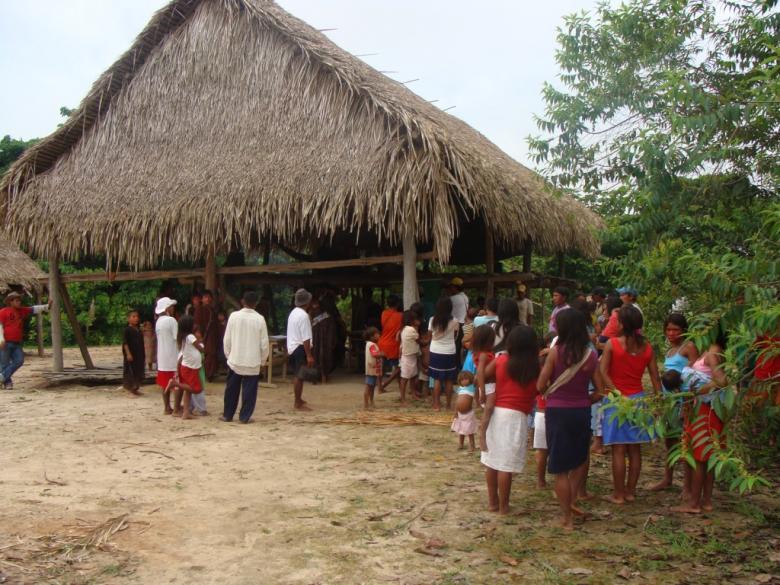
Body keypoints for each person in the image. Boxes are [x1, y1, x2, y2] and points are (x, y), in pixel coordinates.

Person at [538, 309, 605, 530]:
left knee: (559, 469)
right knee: (578, 460)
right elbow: (600, 390)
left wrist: (553, 392)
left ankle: (566, 517)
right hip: (581, 411)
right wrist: (585, 400)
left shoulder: (556, 352)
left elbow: (540, 385)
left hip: (557, 411)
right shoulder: (591, 355)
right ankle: (574, 501)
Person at [600, 305, 661, 504]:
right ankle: (630, 491)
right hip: (639, 401)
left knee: (618, 449)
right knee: (635, 449)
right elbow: (654, 376)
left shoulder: (612, 344)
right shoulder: (647, 347)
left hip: (617, 402)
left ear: (623, 324)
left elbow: (603, 372)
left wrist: (616, 394)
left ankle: (618, 493)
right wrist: (658, 402)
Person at [479, 326, 539, 514]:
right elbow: (540, 389)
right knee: (506, 465)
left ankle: (493, 503)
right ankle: (505, 506)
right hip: (517, 416)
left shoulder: (501, 361)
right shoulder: (535, 367)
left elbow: (484, 374)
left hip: (497, 412)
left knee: (492, 460)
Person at [672, 336, 729, 514]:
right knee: (708, 457)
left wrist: (700, 389)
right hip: (708, 411)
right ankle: (706, 501)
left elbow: (722, 381)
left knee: (699, 457)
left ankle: (694, 503)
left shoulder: (711, 354)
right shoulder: (715, 352)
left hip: (704, 411)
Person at [651, 313, 699, 492]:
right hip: (669, 402)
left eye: (675, 330)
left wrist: (689, 398)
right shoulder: (670, 350)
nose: (671, 333)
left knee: (685, 443)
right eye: (668, 329)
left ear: (684, 330)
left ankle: (689, 487)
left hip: (683, 401)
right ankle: (667, 478)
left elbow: (696, 374)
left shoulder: (688, 347)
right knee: (670, 441)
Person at [221, 291, 270, 423]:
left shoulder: (234, 316)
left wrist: (228, 356)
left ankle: (227, 415)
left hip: (235, 359)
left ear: (243, 301)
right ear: (256, 303)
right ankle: (244, 417)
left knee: (231, 389)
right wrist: (262, 361)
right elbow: (264, 344)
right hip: (252, 361)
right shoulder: (260, 319)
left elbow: (227, 339)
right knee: (249, 391)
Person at [0, 292, 50, 389]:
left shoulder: (22, 311)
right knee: (4, 363)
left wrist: (46, 306)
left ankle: (2, 377)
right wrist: (1, 338)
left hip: (17, 342)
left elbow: (34, 309)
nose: (19, 302)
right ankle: (7, 383)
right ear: (11, 302)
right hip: (5, 342)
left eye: (19, 301)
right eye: (17, 301)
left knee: (19, 360)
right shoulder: (3, 311)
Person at [167, 315, 204, 420]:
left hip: (189, 366)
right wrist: (203, 346)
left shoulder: (183, 337)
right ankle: (175, 383)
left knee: (188, 391)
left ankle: (186, 412)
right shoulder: (190, 337)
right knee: (196, 389)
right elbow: (200, 348)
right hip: (190, 368)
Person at [428, 297, 460, 411]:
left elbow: (429, 336)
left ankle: (436, 405)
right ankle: (448, 405)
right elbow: (456, 336)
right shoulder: (455, 321)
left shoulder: (432, 320)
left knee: (437, 379)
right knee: (449, 380)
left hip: (436, 351)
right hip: (450, 351)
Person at [287, 289, 315, 411]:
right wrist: (309, 355)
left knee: (298, 374)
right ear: (307, 302)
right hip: (299, 347)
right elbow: (306, 338)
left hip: (293, 347)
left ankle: (298, 399)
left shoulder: (293, 313)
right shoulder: (304, 316)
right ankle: (297, 402)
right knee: (300, 375)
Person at [155, 297, 178, 414]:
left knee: (164, 385)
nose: (173, 308)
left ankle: (167, 407)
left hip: (162, 358)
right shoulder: (171, 321)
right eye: (171, 306)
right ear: (167, 308)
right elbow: (177, 338)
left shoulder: (158, 322)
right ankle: (177, 408)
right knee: (177, 384)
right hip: (172, 357)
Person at [310, 296, 338, 384]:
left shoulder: (314, 316)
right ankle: (323, 377)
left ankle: (319, 378)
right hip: (323, 343)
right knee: (322, 358)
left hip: (319, 343)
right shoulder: (326, 317)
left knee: (318, 358)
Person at [378, 295, 403, 393]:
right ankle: (386, 384)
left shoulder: (384, 313)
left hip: (382, 342)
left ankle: (380, 387)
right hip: (393, 344)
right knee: (399, 368)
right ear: (397, 304)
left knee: (380, 368)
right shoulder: (400, 316)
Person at [195, 290, 219, 381]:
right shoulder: (199, 309)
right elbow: (197, 324)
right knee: (206, 354)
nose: (207, 299)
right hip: (203, 335)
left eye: (209, 297)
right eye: (205, 297)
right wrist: (199, 335)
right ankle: (205, 374)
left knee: (212, 355)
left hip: (212, 336)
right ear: (202, 299)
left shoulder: (212, 310)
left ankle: (210, 374)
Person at [451, 370, 478, 452]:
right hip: (460, 414)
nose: (464, 381)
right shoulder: (460, 388)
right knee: (461, 430)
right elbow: (457, 401)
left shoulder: (472, 387)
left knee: (470, 431)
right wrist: (455, 412)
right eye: (462, 380)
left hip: (468, 413)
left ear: (470, 379)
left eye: (466, 379)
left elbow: (477, 379)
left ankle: (472, 445)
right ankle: (461, 444)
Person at [471, 325, 496, 406]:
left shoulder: (479, 353)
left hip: (486, 386)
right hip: (489, 387)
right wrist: (483, 391)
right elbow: (480, 371)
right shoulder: (483, 355)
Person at [122, 310, 145, 396]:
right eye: (133, 317)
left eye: (137, 317)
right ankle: (130, 389)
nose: (136, 318)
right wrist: (128, 353)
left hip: (139, 355)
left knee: (138, 371)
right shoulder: (127, 330)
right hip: (131, 354)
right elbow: (125, 343)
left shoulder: (138, 330)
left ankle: (136, 388)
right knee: (130, 371)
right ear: (128, 319)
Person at [399, 310, 420, 403]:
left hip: (408, 356)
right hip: (409, 357)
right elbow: (419, 340)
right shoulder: (411, 329)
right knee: (405, 378)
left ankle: (412, 394)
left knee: (411, 376)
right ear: (412, 320)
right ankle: (403, 398)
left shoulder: (404, 329)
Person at [449, 277, 469, 366]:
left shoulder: (453, 299)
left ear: (455, 287)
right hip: (465, 325)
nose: (450, 289)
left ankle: (454, 368)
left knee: (455, 349)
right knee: (461, 349)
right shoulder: (465, 297)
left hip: (457, 326)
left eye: (451, 287)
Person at [363, 327, 383, 409]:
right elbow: (375, 355)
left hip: (373, 369)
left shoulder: (370, 344)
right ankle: (366, 404)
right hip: (372, 369)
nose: (379, 335)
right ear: (372, 337)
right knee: (369, 386)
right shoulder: (372, 345)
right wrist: (382, 354)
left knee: (372, 386)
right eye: (377, 334)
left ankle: (371, 402)